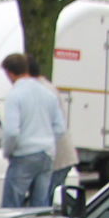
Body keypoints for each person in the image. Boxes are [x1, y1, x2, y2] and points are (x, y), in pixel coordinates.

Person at [0, 52, 67, 208]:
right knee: (40, 206)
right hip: (46, 155)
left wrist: (8, 152)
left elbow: (11, 132)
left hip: (24, 155)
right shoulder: (48, 94)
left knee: (11, 206)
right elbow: (60, 127)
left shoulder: (14, 95)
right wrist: (50, 144)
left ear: (10, 73)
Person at [30, 56, 78, 203]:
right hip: (61, 155)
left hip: (57, 158)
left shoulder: (40, 90)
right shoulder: (45, 86)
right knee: (49, 198)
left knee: (45, 201)